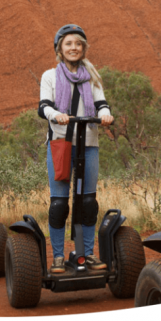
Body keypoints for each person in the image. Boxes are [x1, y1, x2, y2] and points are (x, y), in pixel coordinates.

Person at [38, 25, 114, 274]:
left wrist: (105, 114)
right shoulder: (50, 75)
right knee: (59, 203)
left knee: (88, 202)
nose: (74, 48)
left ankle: (87, 253)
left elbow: (102, 104)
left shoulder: (91, 76)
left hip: (89, 143)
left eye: (78, 44)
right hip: (60, 144)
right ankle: (59, 257)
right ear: (59, 48)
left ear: (83, 48)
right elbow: (44, 107)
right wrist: (57, 115)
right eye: (68, 43)